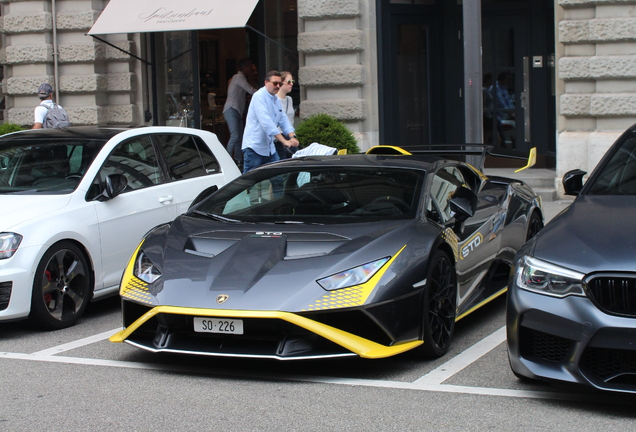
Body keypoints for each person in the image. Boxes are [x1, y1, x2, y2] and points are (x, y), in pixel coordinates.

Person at [241, 70, 299, 173]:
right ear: (266, 82)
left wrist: (292, 136)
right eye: (275, 83)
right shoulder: (259, 96)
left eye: (280, 84)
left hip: (269, 148)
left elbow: (283, 119)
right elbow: (266, 122)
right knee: (250, 181)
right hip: (254, 147)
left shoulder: (275, 99)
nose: (277, 86)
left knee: (277, 179)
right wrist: (284, 141)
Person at [223, 58, 257, 165]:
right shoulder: (238, 77)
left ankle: (238, 160)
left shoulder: (241, 78)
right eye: (250, 67)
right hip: (231, 109)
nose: (252, 70)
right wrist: (265, 93)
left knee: (239, 137)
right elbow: (250, 90)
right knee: (235, 136)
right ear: (245, 67)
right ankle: (226, 160)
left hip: (237, 111)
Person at [274, 71, 297, 160]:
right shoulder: (274, 100)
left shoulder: (289, 99)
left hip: (291, 137)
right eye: (289, 82)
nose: (291, 84)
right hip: (279, 139)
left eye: (292, 81)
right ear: (281, 83)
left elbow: (290, 120)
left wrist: (292, 136)